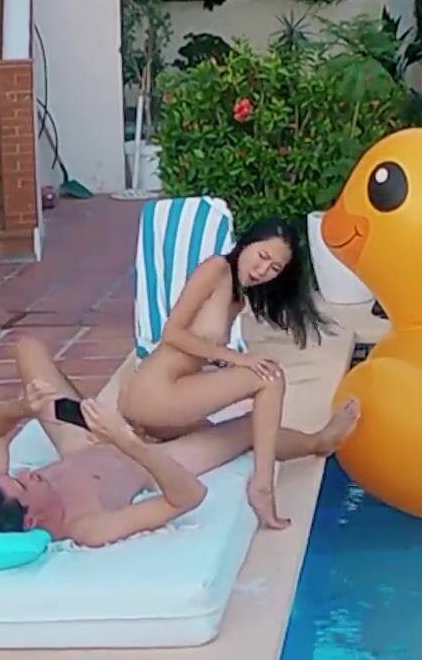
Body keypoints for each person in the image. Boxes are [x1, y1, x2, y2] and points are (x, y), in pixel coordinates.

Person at [0, 336, 358, 544]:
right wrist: (125, 439)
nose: (27, 472)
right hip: (144, 461)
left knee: (27, 349)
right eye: (25, 484)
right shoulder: (88, 527)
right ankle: (318, 443)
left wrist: (22, 407)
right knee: (250, 427)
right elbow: (187, 497)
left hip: (81, 443)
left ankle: (152, 419)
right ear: (30, 520)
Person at [118, 217, 331, 528]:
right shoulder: (216, 268)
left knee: (253, 426)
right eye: (262, 257)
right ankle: (262, 488)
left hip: (163, 400)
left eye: (275, 268)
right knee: (270, 377)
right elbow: (172, 333)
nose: (263, 271)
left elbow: (200, 348)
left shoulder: (237, 295)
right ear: (246, 243)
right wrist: (236, 358)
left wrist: (227, 364)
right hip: (156, 393)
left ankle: (317, 442)